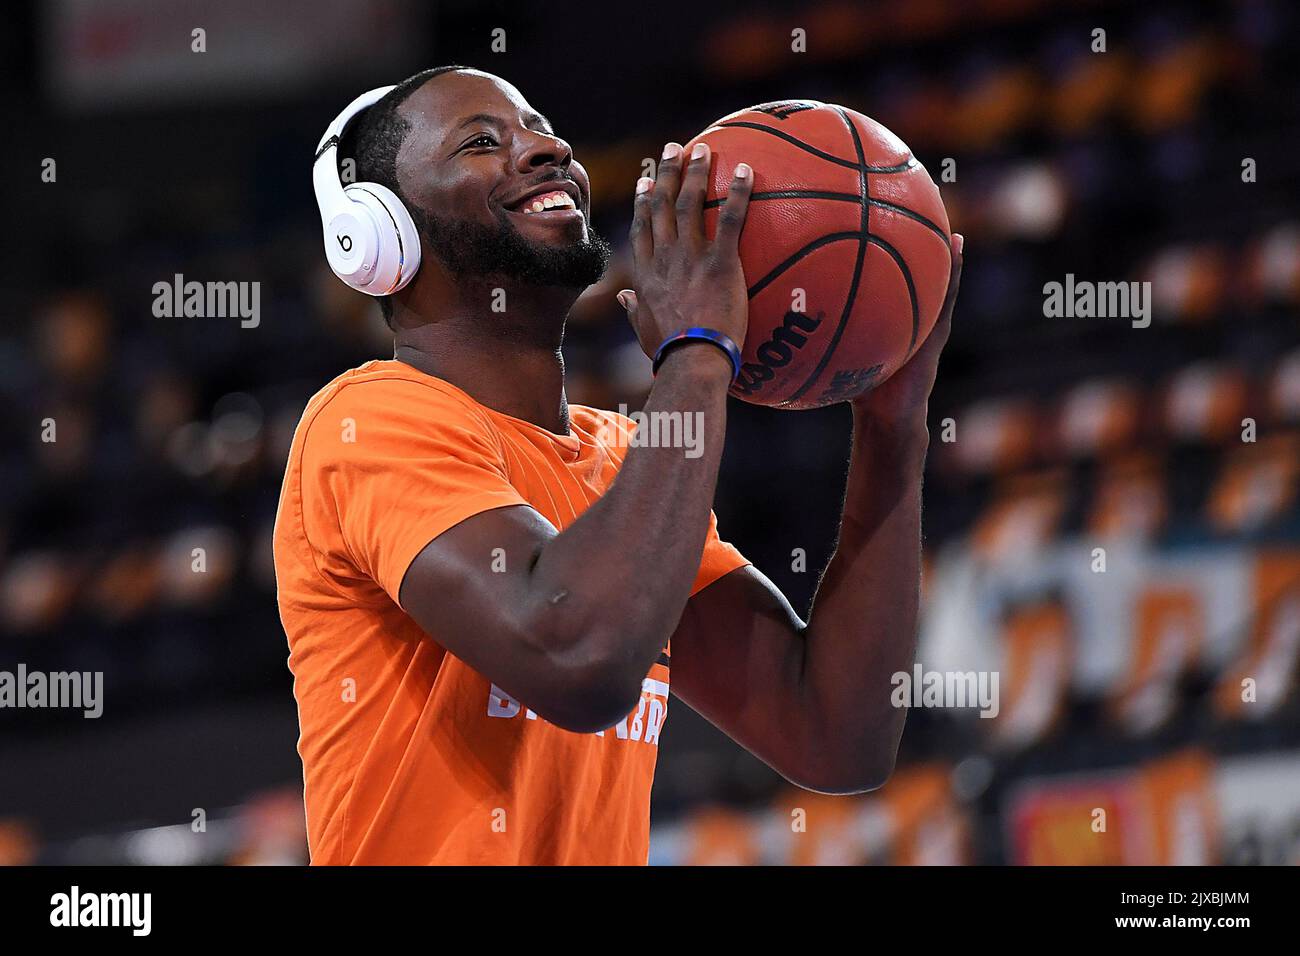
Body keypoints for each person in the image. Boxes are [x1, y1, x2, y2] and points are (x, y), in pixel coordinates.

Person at [273, 65, 963, 864]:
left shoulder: (625, 457)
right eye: (482, 142)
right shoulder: (367, 422)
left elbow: (835, 736)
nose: (545, 149)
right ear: (381, 235)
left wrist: (892, 427)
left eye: (538, 126)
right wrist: (698, 355)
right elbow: (578, 659)